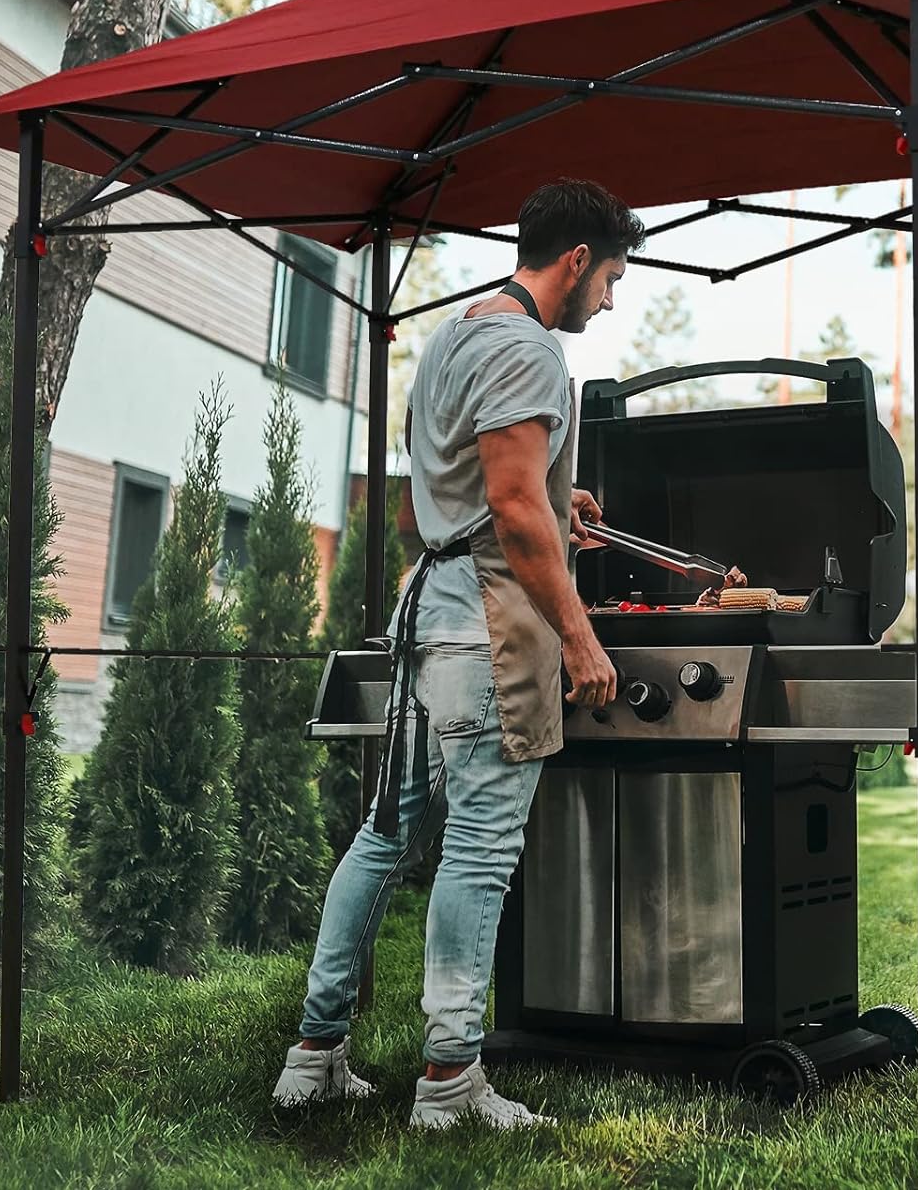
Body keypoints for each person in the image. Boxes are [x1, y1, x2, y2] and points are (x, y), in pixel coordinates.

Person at [272, 178, 645, 1127]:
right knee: (478, 853)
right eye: (611, 277)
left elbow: (453, 492)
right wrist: (578, 636)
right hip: (484, 627)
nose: (611, 297)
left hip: (424, 618)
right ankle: (449, 1082)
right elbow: (513, 509)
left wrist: (559, 504)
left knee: (385, 836)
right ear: (575, 261)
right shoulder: (529, 349)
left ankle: (314, 1055)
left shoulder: (455, 334)